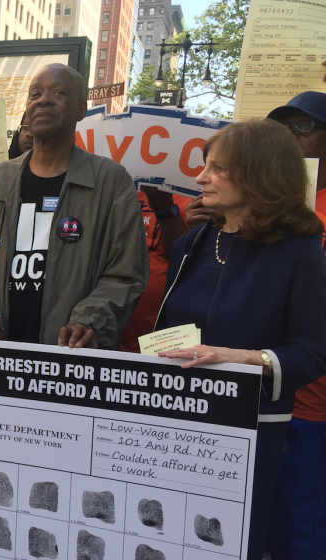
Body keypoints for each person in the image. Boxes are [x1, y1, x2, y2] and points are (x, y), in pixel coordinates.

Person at [154, 119, 326, 560]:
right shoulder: (191, 243)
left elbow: (312, 352)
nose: (200, 178)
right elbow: (172, 333)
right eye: (204, 165)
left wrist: (246, 359)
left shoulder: (301, 248)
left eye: (218, 168)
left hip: (248, 436)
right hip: (177, 424)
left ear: (260, 173)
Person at [0, 63, 148, 351]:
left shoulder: (111, 183)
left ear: (81, 109)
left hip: (72, 363)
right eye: (35, 94)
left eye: (58, 92)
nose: (43, 100)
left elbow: (126, 272)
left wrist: (91, 320)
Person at [265, 91, 326, 560]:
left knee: (301, 529)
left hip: (313, 406)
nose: (289, 136)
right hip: (264, 393)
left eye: (302, 126)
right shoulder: (264, 205)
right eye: (281, 126)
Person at [120, 186, 191, 352]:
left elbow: (186, 261)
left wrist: (165, 209)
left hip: (165, 340)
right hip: (108, 334)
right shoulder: (115, 188)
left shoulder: (195, 195)